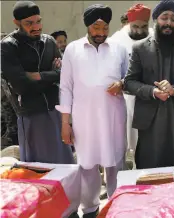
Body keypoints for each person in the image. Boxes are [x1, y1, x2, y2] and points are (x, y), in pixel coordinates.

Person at [57, 4, 128, 218]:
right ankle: (89, 208)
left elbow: (130, 78)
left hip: (113, 116)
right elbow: (66, 87)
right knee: (87, 164)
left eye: (105, 27)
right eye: (97, 28)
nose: (101, 33)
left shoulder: (119, 49)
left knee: (116, 161)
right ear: (88, 26)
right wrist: (65, 123)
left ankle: (117, 206)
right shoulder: (73, 49)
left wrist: (122, 83)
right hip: (83, 118)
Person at [124, 0, 174, 169]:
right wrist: (152, 91)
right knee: (150, 169)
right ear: (155, 20)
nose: (169, 23)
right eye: (164, 17)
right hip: (150, 123)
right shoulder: (140, 48)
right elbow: (129, 82)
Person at [1, 1, 74, 164]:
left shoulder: (49, 41)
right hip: (31, 114)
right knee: (40, 169)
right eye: (29, 23)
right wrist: (52, 75)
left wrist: (38, 76)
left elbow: (64, 74)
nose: (36, 27)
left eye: (38, 21)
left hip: (55, 111)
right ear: (16, 23)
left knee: (65, 166)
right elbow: (22, 86)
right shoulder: (8, 47)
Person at [109, 3, 152, 169]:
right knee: (126, 140)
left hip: (150, 96)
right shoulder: (116, 40)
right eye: (135, 26)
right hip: (126, 97)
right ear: (128, 23)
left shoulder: (154, 36)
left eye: (144, 26)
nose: (140, 31)